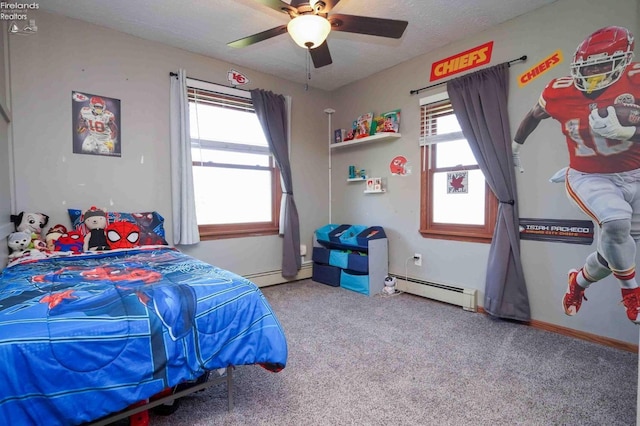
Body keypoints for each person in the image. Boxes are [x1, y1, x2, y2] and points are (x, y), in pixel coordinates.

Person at [512, 25, 640, 323]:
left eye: (600, 64)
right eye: (588, 65)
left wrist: (631, 131)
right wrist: (515, 146)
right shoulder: (560, 91)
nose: (593, 71)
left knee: (612, 256)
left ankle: (577, 282)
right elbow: (533, 115)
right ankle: (631, 293)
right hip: (588, 174)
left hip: (636, 172)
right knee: (616, 223)